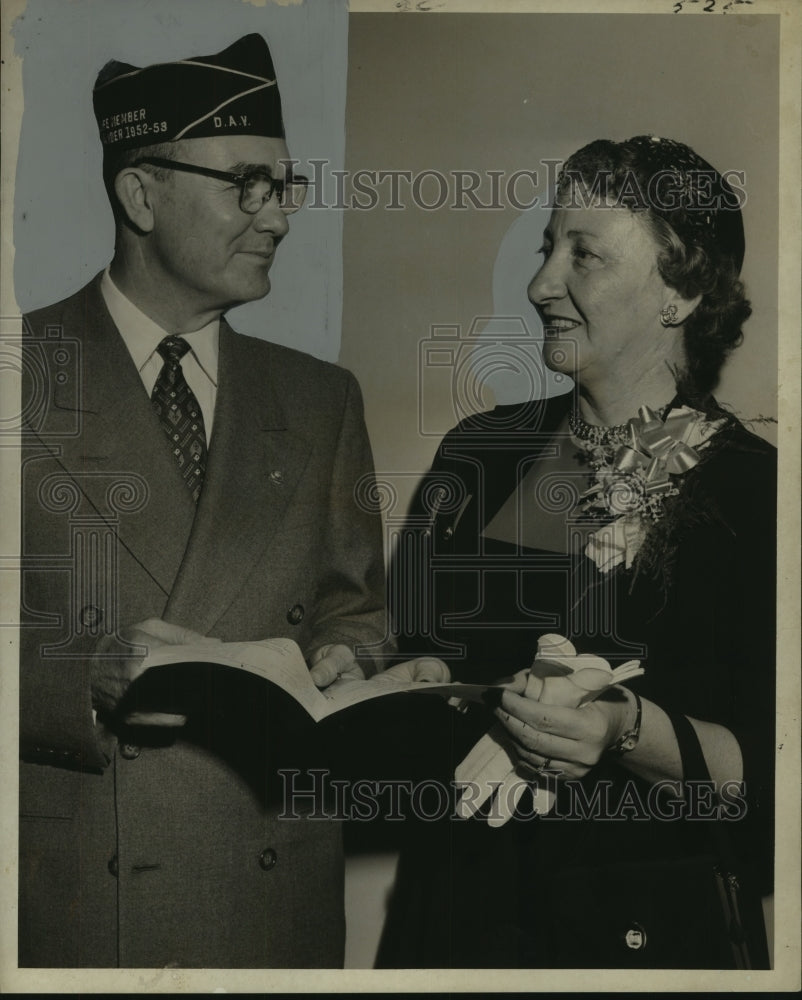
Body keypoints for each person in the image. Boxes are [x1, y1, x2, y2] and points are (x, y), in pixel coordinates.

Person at [19, 34, 389, 968]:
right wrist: (86, 676)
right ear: (141, 194)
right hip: (68, 903)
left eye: (284, 187)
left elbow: (356, 606)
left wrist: (347, 657)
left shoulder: (320, 399)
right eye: (245, 185)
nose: (278, 218)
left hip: (270, 901)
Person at [380, 135, 775, 969]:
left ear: (682, 293)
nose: (540, 285)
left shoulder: (758, 497)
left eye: (583, 255)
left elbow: (777, 783)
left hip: (643, 941)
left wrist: (627, 729)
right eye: (546, 248)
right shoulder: (478, 457)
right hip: (455, 923)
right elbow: (419, 668)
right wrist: (387, 680)